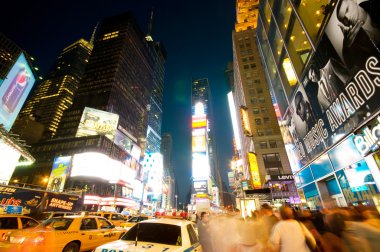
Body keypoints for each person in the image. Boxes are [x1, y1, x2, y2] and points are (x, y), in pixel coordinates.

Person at [336, 0, 380, 69]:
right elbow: (355, 70)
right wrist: (347, 51)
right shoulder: (352, 45)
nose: (347, 17)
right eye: (343, 19)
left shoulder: (376, 6)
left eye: (347, 9)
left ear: (354, 1)